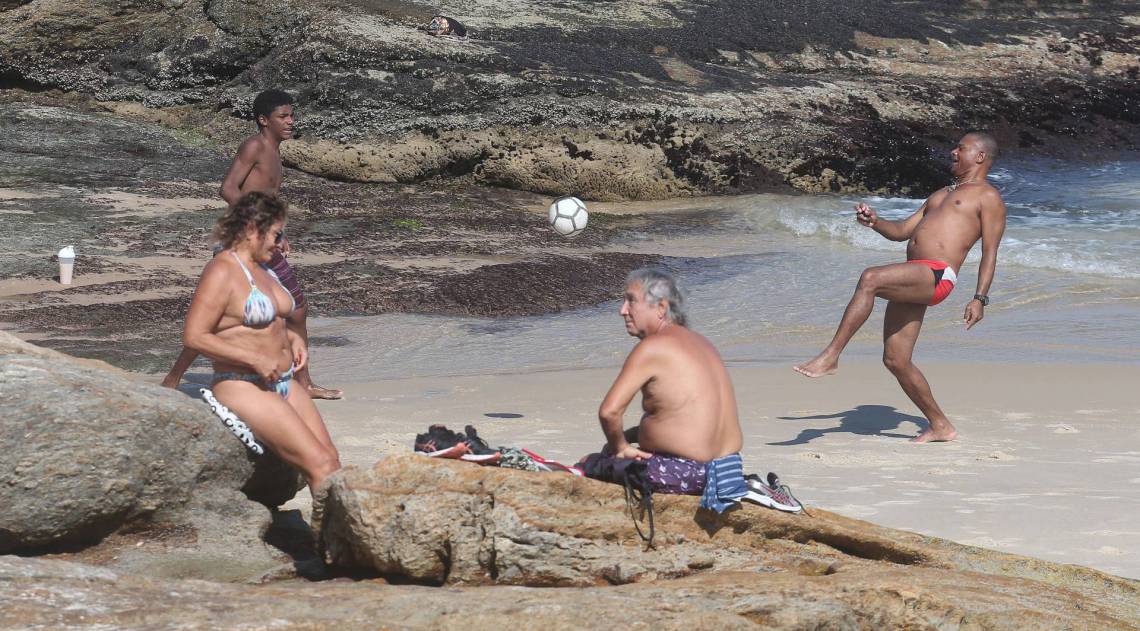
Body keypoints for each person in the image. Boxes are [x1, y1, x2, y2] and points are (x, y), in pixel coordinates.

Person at [793, 132, 1008, 443]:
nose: (952, 152)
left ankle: (831, 356)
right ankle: (940, 425)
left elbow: (991, 252)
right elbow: (902, 232)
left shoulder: (988, 197)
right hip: (914, 276)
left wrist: (980, 299)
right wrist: (876, 222)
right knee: (896, 359)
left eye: (960, 148)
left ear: (979, 156)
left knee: (871, 278)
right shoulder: (939, 195)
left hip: (938, 275)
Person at [163, 89, 343, 400]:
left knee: (296, 310)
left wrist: (275, 232)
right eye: (282, 117)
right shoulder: (255, 146)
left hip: (262, 241)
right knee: (219, 317)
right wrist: (262, 225)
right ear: (263, 120)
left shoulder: (274, 150)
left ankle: (305, 383)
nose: (290, 122)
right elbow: (227, 188)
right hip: (242, 242)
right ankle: (173, 379)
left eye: (291, 115)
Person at [580, 268, 798, 514]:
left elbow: (609, 412)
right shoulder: (703, 343)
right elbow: (684, 414)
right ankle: (749, 485)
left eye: (630, 301)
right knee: (617, 447)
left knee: (591, 463)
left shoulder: (653, 347)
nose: (622, 310)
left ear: (661, 308)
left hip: (687, 472)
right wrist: (632, 436)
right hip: (727, 468)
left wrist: (620, 447)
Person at [183, 192, 340, 491]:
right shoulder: (222, 271)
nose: (280, 243)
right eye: (276, 234)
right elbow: (194, 335)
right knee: (319, 465)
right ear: (254, 229)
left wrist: (293, 340)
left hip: (282, 382)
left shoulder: (264, 268)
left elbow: (276, 322)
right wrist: (254, 359)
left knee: (332, 461)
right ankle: (327, 539)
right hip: (243, 384)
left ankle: (329, 535)